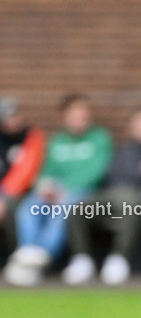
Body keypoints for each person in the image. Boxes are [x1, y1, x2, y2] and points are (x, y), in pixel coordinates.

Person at [63, 106, 141, 285]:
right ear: (133, 128)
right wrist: (140, 171)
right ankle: (82, 260)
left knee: (131, 204)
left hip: (138, 200)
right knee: (78, 209)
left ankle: (118, 260)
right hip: (110, 196)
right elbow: (112, 174)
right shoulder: (124, 150)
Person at [4, 94, 112, 286]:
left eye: (84, 112)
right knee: (31, 204)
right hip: (55, 192)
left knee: (63, 209)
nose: (82, 116)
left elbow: (96, 173)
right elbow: (45, 172)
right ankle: (28, 252)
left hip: (85, 194)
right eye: (77, 112)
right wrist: (45, 187)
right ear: (64, 116)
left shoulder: (100, 139)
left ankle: (41, 257)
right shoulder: (57, 142)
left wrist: (64, 191)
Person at [0, 97, 46, 257]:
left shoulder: (32, 137)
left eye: (16, 115)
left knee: (14, 209)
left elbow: (26, 173)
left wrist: (3, 198)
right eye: (10, 116)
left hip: (23, 193)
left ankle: (17, 256)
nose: (15, 120)